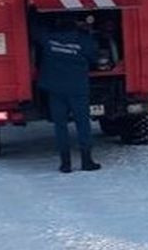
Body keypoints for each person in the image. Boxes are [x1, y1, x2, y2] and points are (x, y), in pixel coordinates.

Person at [30, 10, 101, 173]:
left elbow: (35, 31)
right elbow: (94, 59)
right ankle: (86, 161)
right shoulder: (84, 40)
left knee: (60, 126)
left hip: (55, 90)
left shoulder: (48, 38)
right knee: (83, 124)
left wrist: (34, 13)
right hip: (78, 89)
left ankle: (65, 163)